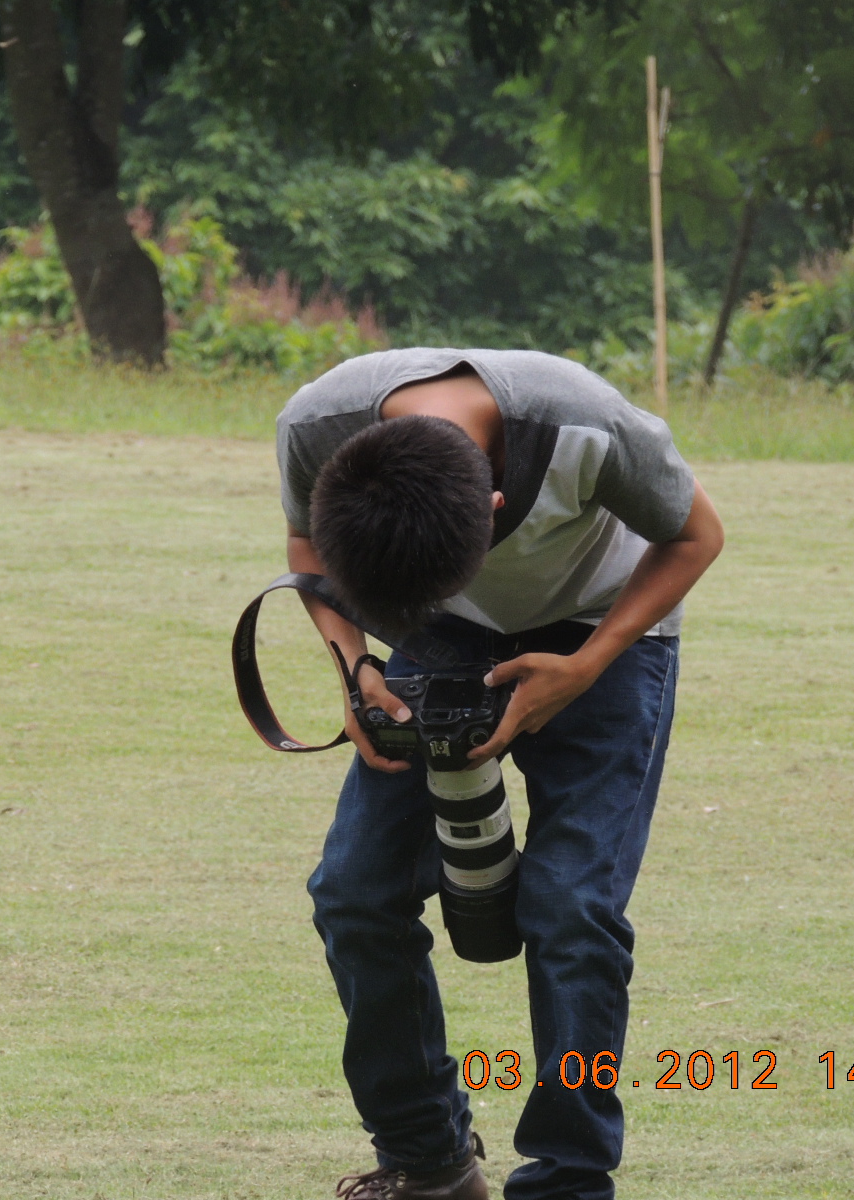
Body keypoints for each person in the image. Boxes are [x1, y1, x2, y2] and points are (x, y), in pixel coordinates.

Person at [277, 350, 724, 1200]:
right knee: (353, 891)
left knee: (572, 908)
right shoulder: (316, 425)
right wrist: (354, 665)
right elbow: (305, 540)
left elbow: (697, 534)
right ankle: (428, 1160)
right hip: (436, 624)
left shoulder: (589, 425)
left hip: (603, 625)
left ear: (492, 507)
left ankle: (568, 1179)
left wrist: (586, 665)